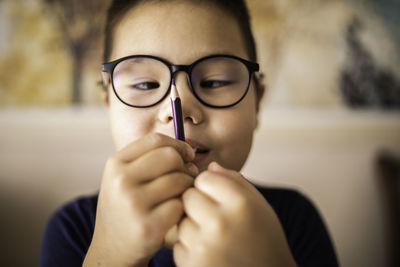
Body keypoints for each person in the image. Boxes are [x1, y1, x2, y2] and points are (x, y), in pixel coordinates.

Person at [39, 0, 339, 266]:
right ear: (108, 105)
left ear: (257, 103)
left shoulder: (294, 221)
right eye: (145, 85)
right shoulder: (73, 228)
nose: (179, 108)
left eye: (214, 82)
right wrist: (110, 254)